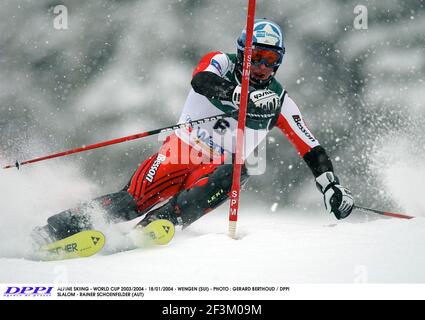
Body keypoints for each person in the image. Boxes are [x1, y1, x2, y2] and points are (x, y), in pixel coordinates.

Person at [32, 18, 354, 245]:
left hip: (215, 170)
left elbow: (311, 147)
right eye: (257, 58)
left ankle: (160, 226)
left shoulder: (279, 101)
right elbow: (200, 80)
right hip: (181, 151)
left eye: (271, 60)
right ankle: (52, 231)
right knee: (130, 202)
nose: (262, 69)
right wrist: (236, 94)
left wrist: (330, 186)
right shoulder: (221, 63)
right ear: (243, 53)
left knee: (241, 168)